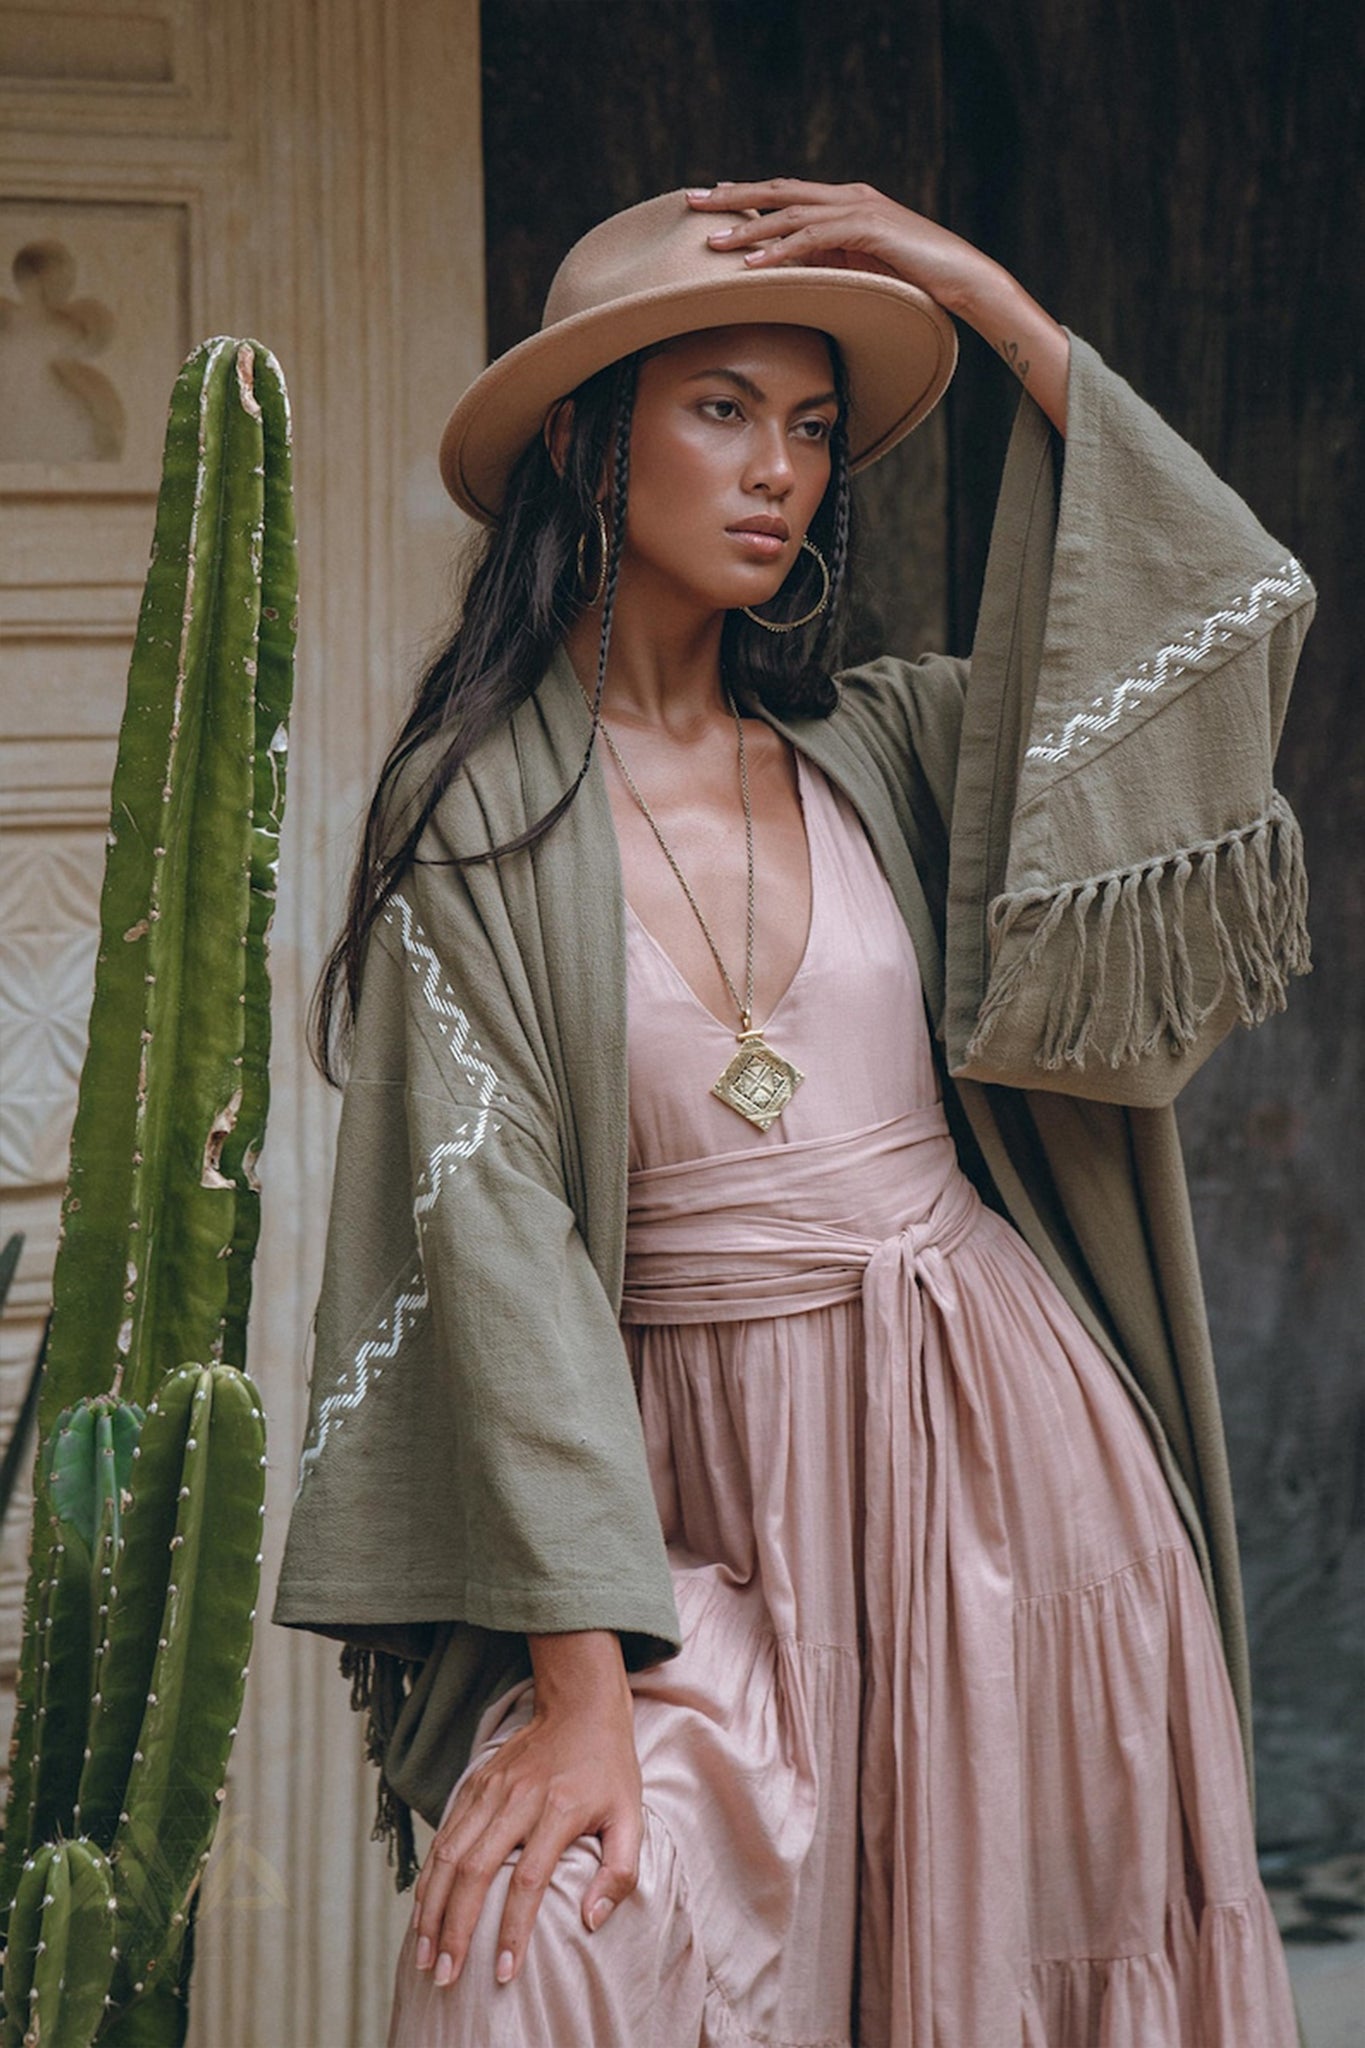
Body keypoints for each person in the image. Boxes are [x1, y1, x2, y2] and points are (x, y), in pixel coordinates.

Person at [274, 180, 1316, 2046]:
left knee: (1023, 1974)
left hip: (1013, 1472)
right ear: (592, 443)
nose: (783, 471)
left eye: (816, 426)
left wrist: (981, 297)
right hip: (689, 1512)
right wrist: (582, 1691)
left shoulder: (897, 750)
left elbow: (1222, 609)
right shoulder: (479, 817)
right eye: (723, 408)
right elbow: (500, 1257)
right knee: (547, 1965)